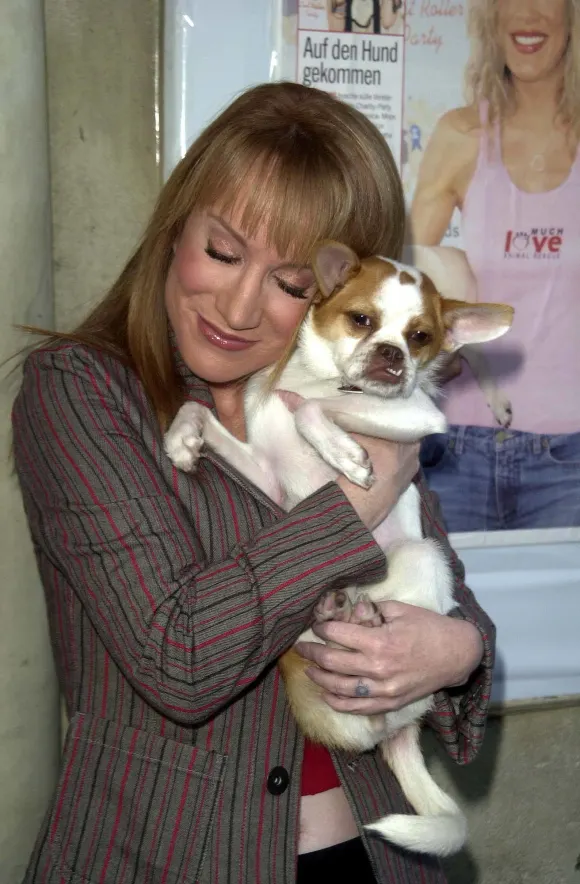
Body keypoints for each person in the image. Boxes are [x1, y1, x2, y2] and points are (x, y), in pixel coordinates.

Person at [12, 81, 494, 884]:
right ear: (175, 231)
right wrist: (358, 503)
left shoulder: (351, 399)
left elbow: (453, 603)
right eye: (224, 252)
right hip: (167, 857)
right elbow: (179, 656)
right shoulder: (84, 393)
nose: (237, 307)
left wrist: (459, 649)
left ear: (344, 292)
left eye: (292, 284)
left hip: (377, 854)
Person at [410, 0, 580, 532]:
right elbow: (399, 282)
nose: (528, 14)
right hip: (459, 449)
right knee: (443, 613)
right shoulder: (460, 137)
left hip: (570, 457)